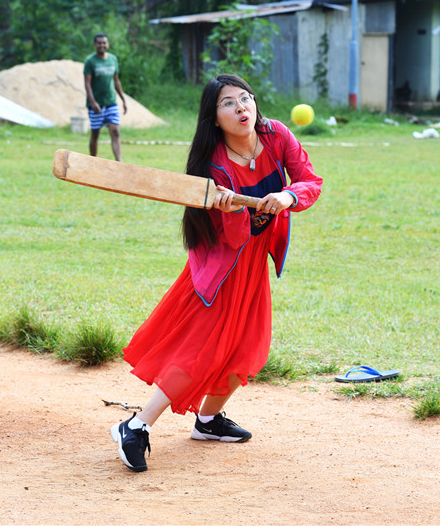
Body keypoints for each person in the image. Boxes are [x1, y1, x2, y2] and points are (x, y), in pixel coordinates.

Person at [111, 73, 323, 472]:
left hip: (254, 265)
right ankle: (135, 426)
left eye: (245, 98)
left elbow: (311, 179)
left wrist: (288, 195)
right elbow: (231, 237)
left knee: (246, 347)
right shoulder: (215, 166)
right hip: (221, 268)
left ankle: (207, 421)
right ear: (214, 118)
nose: (241, 107)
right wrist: (232, 210)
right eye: (229, 103)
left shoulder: (276, 135)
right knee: (199, 350)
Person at [83, 33, 128, 161]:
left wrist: (123, 100)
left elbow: (116, 81)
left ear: (107, 44)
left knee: (116, 132)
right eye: (99, 43)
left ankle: (119, 163)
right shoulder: (90, 61)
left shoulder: (113, 59)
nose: (102, 45)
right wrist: (93, 102)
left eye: (104, 43)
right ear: (94, 45)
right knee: (95, 134)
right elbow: (87, 84)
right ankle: (93, 161)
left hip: (111, 102)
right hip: (96, 105)